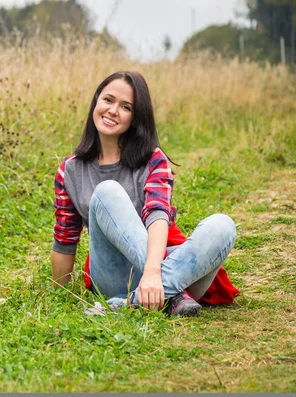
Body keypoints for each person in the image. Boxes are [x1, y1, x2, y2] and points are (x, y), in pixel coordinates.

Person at [51, 71, 239, 316]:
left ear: (135, 117)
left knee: (222, 226)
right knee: (107, 191)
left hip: (160, 268)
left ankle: (127, 303)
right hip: (113, 273)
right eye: (108, 100)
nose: (113, 110)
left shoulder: (153, 159)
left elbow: (157, 214)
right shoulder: (70, 170)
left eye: (126, 106)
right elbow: (65, 239)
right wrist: (58, 294)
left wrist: (152, 272)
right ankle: (171, 292)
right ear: (96, 101)